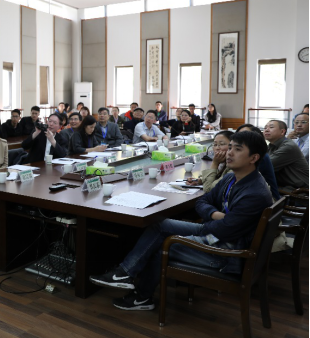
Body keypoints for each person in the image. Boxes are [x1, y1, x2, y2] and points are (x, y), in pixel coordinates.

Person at [90, 131, 272, 311]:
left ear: (254, 158)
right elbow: (203, 201)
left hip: (226, 253)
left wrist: (209, 224)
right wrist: (214, 215)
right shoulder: (232, 177)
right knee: (160, 225)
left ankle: (141, 297)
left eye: (237, 149)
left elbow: (224, 230)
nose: (229, 153)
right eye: (230, 147)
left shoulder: (254, 193)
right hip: (216, 234)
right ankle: (124, 274)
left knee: (162, 246)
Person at [236, 124, 281, 200]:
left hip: (269, 200)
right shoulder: (239, 155)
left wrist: (215, 164)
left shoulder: (258, 157)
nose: (240, 138)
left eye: (246, 135)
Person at [263, 120, 309, 193]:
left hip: (300, 190)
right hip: (285, 186)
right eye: (265, 128)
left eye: (271, 127)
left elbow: (264, 166)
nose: (266, 130)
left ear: (282, 132)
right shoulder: (271, 146)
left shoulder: (288, 146)